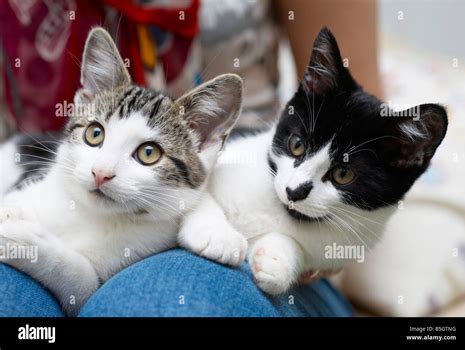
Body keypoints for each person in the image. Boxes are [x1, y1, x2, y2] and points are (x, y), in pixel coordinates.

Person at [0, 0, 380, 316]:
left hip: (258, 230)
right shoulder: (56, 173)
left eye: (147, 153)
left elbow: (364, 130)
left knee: (169, 304)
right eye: (96, 135)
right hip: (41, 178)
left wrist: (306, 243)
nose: (104, 171)